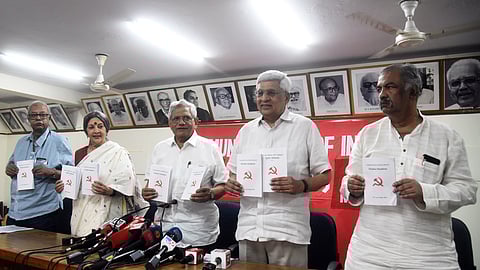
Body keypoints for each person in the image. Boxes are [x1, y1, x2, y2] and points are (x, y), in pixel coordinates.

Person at [340, 63, 477, 269]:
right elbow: (347, 182)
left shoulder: (447, 136)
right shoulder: (367, 135)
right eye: (379, 89)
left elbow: (467, 190)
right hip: (368, 254)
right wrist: (351, 187)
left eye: (390, 87)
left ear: (412, 91)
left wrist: (425, 192)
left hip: (430, 257)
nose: (382, 94)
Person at [225, 70, 330, 268]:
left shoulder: (305, 127)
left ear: (286, 97)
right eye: (259, 93)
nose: (264, 98)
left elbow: (325, 175)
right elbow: (233, 173)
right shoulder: (246, 131)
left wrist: (301, 185)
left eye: (271, 93)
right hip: (250, 228)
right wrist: (232, 183)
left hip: (287, 230)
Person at [141, 99, 227, 249]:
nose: (181, 122)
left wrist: (211, 193)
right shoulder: (159, 149)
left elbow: (224, 184)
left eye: (186, 118)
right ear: (170, 123)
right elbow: (149, 184)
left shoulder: (210, 148)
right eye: (176, 118)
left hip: (198, 230)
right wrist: (146, 192)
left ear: (196, 122)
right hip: (165, 227)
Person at [55, 111, 139, 236]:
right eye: (91, 127)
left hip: (108, 207)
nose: (96, 131)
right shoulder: (79, 154)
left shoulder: (118, 152)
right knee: (82, 243)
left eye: (100, 126)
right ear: (86, 131)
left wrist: (110, 191)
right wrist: (63, 186)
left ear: (106, 129)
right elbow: (76, 182)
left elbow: (128, 182)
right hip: (82, 208)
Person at [4, 101, 73, 233]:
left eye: (42, 115)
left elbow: (71, 174)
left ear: (49, 117)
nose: (38, 118)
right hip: (16, 213)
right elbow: (11, 165)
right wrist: (9, 169)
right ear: (28, 118)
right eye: (34, 115)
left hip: (43, 214)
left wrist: (51, 171)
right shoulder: (21, 142)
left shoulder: (59, 141)